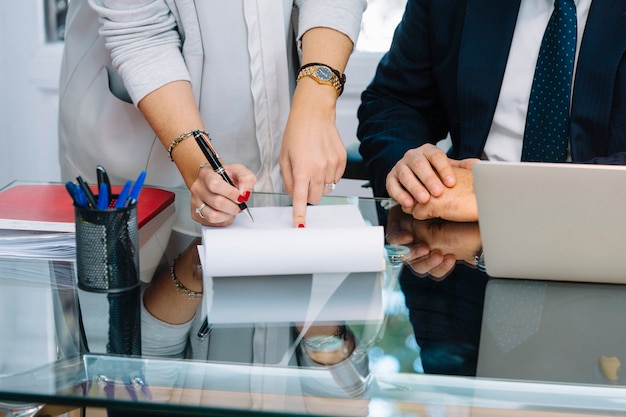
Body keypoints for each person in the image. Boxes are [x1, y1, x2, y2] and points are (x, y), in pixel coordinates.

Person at [58, 0, 366, 333]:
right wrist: (198, 167)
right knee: (129, 340)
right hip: (142, 150)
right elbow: (141, 32)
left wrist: (316, 99)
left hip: (278, 129)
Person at [357, 0, 626, 223]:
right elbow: (395, 101)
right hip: (461, 239)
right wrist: (417, 173)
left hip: (600, 228)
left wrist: (502, 196)